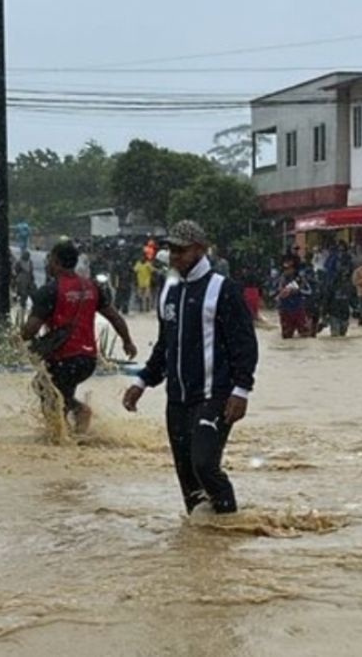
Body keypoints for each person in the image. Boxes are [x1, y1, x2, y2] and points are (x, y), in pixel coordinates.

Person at [123, 221, 258, 516]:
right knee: (187, 475)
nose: (174, 256)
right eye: (171, 250)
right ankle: (201, 535)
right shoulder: (169, 291)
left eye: (181, 251)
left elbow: (245, 344)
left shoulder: (223, 289)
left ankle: (230, 525)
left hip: (214, 396)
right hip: (177, 400)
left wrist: (241, 390)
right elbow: (165, 346)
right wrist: (142, 382)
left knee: (204, 465)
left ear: (200, 249)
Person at [22, 241, 138, 433]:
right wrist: (128, 342)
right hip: (88, 359)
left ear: (56, 261)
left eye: (50, 259)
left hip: (63, 357)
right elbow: (115, 317)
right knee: (58, 392)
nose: (48, 264)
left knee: (45, 388)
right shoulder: (91, 287)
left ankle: (66, 428)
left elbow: (30, 330)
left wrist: (18, 338)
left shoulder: (50, 291)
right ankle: (76, 432)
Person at [276, 255, 312, 339]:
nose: (286, 270)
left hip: (298, 308)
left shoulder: (300, 279)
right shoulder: (281, 279)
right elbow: (276, 292)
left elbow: (309, 292)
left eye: (289, 268)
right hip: (285, 309)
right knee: (286, 335)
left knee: (304, 333)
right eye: (285, 268)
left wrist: (297, 291)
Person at [326, 264, 356, 337]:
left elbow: (352, 299)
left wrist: (356, 309)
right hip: (334, 313)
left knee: (343, 334)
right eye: (343, 275)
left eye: (346, 275)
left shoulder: (349, 286)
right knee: (335, 335)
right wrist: (325, 313)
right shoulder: (332, 286)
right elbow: (326, 299)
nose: (344, 277)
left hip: (345, 313)